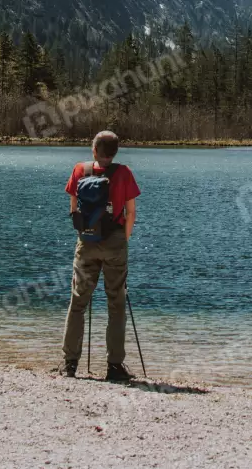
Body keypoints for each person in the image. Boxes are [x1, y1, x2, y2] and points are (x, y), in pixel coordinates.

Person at [58, 130, 141, 381]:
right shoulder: (124, 173)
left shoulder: (80, 170)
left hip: (87, 241)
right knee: (116, 305)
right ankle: (114, 367)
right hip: (115, 241)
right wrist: (122, 240)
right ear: (115, 152)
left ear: (94, 150)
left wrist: (87, 234)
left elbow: (74, 210)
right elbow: (131, 213)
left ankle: (69, 364)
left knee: (78, 302)